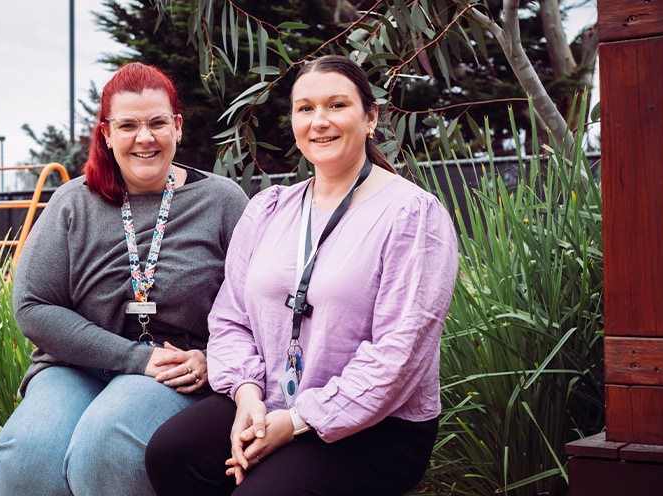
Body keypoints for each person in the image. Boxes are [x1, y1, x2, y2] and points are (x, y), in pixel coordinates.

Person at [145, 54, 459, 495]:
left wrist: (295, 422)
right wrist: (247, 397)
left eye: (336, 105)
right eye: (305, 108)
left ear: (370, 118)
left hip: (374, 425)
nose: (319, 121)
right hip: (269, 397)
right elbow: (230, 319)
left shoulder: (412, 215)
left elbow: (400, 353)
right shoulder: (268, 209)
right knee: (172, 453)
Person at [0, 62, 249, 496]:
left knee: (106, 445)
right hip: (76, 365)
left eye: (157, 123)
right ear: (107, 134)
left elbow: (254, 304)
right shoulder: (73, 201)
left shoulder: (222, 201)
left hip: (178, 367)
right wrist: (133, 358)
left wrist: (214, 359)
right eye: (128, 125)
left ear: (178, 127)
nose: (144, 137)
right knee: (27, 454)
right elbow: (33, 306)